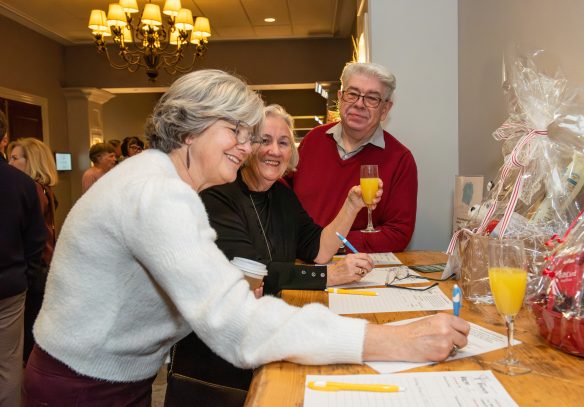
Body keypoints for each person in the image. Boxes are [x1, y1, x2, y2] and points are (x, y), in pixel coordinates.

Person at [23, 69, 469, 406]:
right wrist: (394, 340)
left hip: (112, 377)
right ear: (189, 127)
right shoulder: (157, 194)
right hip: (82, 386)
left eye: (248, 133)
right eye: (234, 130)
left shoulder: (167, 185)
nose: (245, 146)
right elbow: (236, 326)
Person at [167, 104, 381, 404]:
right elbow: (252, 273)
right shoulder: (217, 195)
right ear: (246, 146)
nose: (275, 151)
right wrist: (331, 275)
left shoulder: (281, 194)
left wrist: (352, 204)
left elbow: (317, 248)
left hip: (265, 336)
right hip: (218, 362)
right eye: (264, 140)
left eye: (283, 142)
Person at [290, 62, 418, 253]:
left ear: (385, 109)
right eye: (353, 94)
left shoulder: (401, 160)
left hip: (358, 269)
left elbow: (398, 233)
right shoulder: (312, 141)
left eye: (372, 98)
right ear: (341, 98)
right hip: (302, 262)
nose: (359, 104)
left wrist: (330, 242)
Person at [0, 111, 46, 406]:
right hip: (9, 286)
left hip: (11, 284)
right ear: (3, 139)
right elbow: (35, 241)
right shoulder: (22, 184)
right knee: (8, 365)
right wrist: (24, 277)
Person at [7, 138, 58, 362]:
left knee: (28, 341)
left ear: (32, 161)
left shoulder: (32, 189)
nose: (9, 162)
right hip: (44, 265)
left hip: (35, 268)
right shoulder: (42, 188)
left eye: (15, 158)